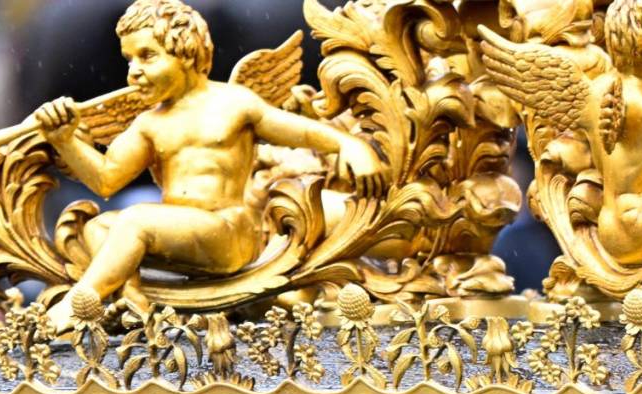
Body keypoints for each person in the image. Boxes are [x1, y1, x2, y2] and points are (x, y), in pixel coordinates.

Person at [33, 0, 384, 327]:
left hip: (229, 232)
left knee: (135, 220)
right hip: (180, 234)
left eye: (146, 57)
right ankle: (133, 301)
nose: (133, 72)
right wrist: (65, 140)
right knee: (99, 228)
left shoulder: (233, 103)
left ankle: (80, 303)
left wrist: (349, 145)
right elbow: (107, 180)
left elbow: (301, 133)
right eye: (129, 60)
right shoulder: (149, 124)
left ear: (184, 54)